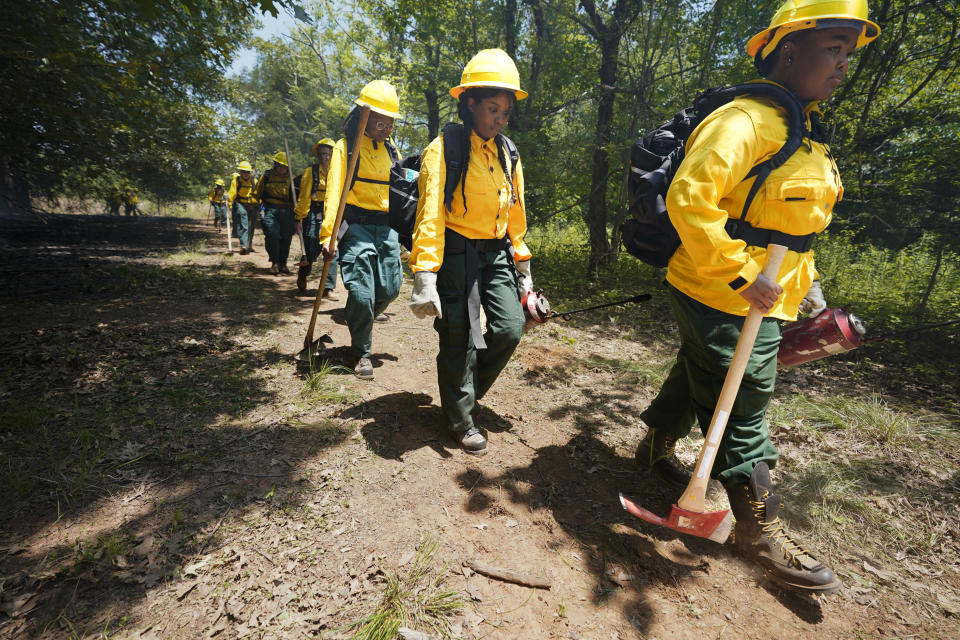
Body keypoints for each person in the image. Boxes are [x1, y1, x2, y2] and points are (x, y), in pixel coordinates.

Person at [634, 0, 880, 595]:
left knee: (703, 367)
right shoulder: (743, 122)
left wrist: (810, 291)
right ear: (789, 49)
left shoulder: (807, 135)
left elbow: (794, 230)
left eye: (849, 51)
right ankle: (760, 532)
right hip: (718, 288)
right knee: (743, 402)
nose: (844, 64)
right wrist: (744, 275)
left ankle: (653, 448)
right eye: (833, 49)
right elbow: (690, 202)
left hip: (767, 296)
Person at [408, 49, 533, 456]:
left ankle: (462, 392)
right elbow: (429, 214)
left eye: (506, 112)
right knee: (459, 334)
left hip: (495, 251)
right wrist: (425, 274)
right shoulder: (443, 149)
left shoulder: (509, 152)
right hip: (456, 250)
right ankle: (461, 417)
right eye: (493, 108)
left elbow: (516, 213)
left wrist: (523, 265)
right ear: (469, 103)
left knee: (510, 328)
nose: (500, 118)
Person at [320, 80, 403, 380]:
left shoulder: (393, 151)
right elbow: (333, 196)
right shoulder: (346, 147)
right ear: (363, 115)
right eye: (380, 120)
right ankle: (361, 351)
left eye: (391, 120)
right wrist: (328, 236)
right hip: (356, 228)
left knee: (391, 289)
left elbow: (401, 191)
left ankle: (360, 320)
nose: (386, 126)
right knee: (362, 292)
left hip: (387, 230)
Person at [295, 138, 338, 295]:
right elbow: (304, 197)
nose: (325, 157)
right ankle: (303, 274)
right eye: (322, 154)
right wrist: (299, 218)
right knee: (311, 247)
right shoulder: (310, 172)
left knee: (332, 248)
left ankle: (327, 287)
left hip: (332, 213)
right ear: (317, 155)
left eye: (328, 154)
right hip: (313, 213)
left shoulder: (339, 173)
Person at [254, 152, 297, 275]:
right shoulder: (267, 176)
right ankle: (274, 262)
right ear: (275, 164)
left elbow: (297, 197)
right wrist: (253, 206)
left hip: (287, 210)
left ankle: (283, 263)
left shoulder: (291, 179)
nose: (281, 168)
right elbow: (257, 193)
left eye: (284, 166)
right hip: (269, 209)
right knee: (272, 235)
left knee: (286, 237)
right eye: (279, 165)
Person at [228, 161, 258, 255]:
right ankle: (243, 246)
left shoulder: (255, 181)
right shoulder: (236, 181)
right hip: (240, 204)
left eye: (248, 172)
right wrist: (227, 198)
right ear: (240, 172)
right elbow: (232, 194)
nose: (246, 174)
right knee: (243, 221)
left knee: (251, 226)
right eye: (244, 171)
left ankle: (249, 244)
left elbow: (258, 194)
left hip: (252, 205)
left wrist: (259, 206)